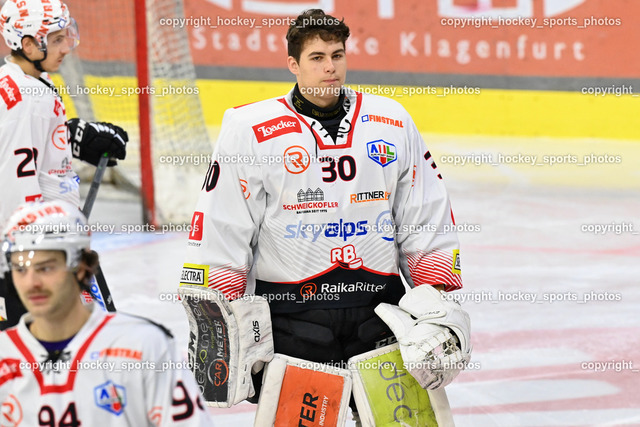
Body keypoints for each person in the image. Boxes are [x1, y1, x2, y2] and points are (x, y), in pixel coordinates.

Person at [179, 8, 471, 423]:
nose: (330, 67)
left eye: (337, 55)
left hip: (380, 315)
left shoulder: (391, 121)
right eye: (317, 58)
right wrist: (217, 318)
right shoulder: (250, 129)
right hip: (293, 319)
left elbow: (423, 213)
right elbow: (223, 222)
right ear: (293, 64)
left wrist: (434, 302)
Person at [0, 200, 214, 426]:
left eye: (45, 268)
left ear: (80, 267)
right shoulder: (4, 354)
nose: (31, 283)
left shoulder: (144, 346)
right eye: (20, 269)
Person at [0, 0, 128, 330]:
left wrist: (70, 135)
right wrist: (39, 261)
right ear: (29, 44)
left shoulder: (21, 83)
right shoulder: (28, 99)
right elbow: (17, 187)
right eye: (56, 39)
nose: (66, 47)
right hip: (39, 253)